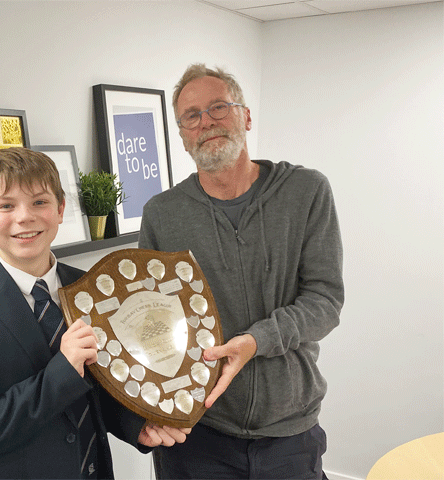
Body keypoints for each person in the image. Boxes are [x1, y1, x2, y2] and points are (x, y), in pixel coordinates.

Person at [0, 147, 189, 479]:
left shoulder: (88, 288)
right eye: (6, 205)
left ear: (61, 210)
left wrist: (135, 424)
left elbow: (96, 389)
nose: (24, 217)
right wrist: (61, 371)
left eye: (39, 202)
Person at [138, 64, 344, 479]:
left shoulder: (305, 191)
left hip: (288, 430)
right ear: (182, 136)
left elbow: (325, 301)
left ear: (246, 116)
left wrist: (256, 340)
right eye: (191, 116)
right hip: (198, 430)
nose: (207, 122)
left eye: (219, 107)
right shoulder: (162, 214)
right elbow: (150, 320)